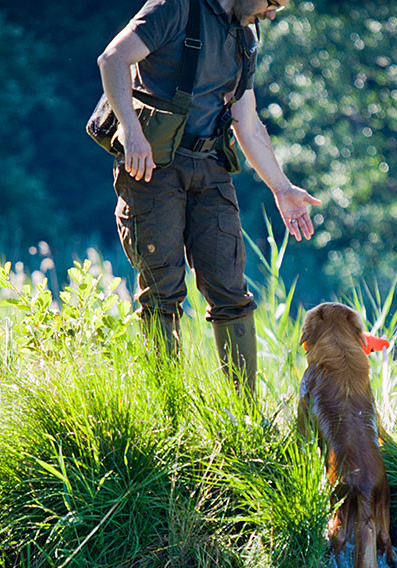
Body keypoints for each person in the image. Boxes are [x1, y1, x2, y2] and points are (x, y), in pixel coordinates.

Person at [97, 0, 320, 394]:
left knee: (232, 292)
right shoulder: (176, 8)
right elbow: (112, 58)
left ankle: (243, 414)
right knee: (162, 294)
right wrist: (131, 132)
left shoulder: (245, 36)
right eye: (272, 3)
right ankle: (167, 411)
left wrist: (282, 188)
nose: (271, 14)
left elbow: (246, 124)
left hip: (210, 166)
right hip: (152, 167)